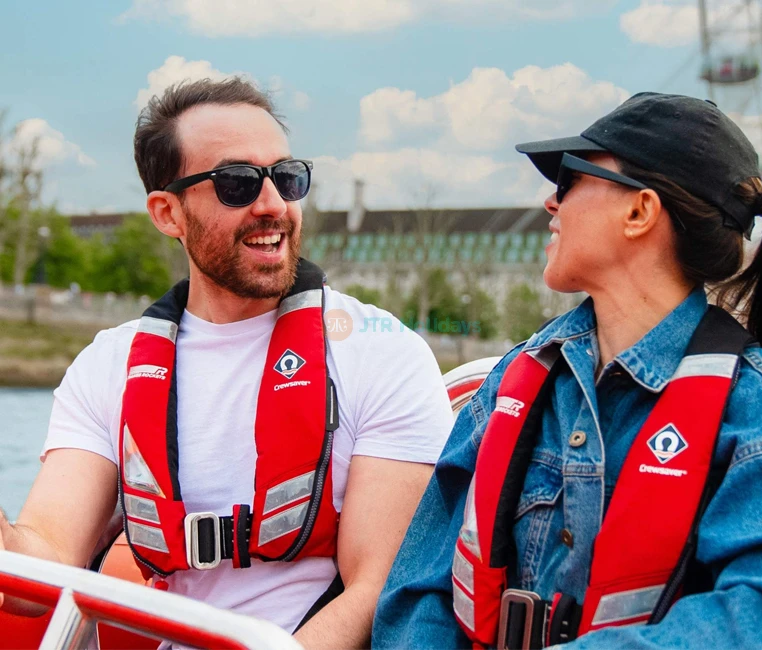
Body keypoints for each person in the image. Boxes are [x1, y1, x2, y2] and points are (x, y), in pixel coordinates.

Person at [0, 78, 455, 649]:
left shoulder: (382, 353)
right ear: (167, 213)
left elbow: (376, 593)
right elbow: (37, 570)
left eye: (287, 178)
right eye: (237, 183)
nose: (273, 205)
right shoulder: (107, 368)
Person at [372, 92, 762, 649]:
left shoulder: (761, 413)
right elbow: (419, 589)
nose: (551, 202)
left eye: (570, 179)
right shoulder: (517, 378)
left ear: (639, 212)